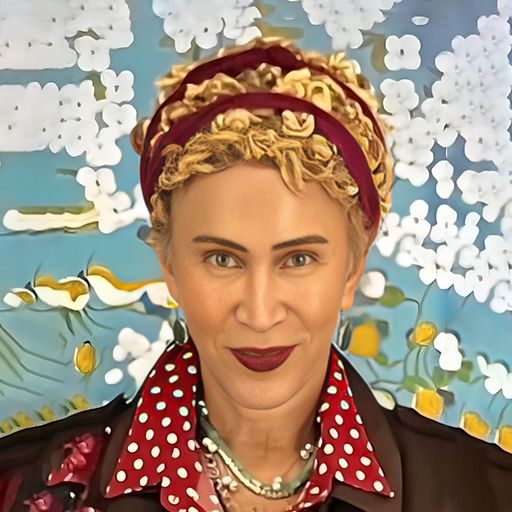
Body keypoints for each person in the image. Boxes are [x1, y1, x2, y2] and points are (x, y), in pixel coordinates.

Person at [1, 37, 511, 512]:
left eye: (298, 259)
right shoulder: (17, 487)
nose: (260, 313)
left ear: (352, 269)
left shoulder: (486, 492)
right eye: (222, 259)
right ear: (170, 266)